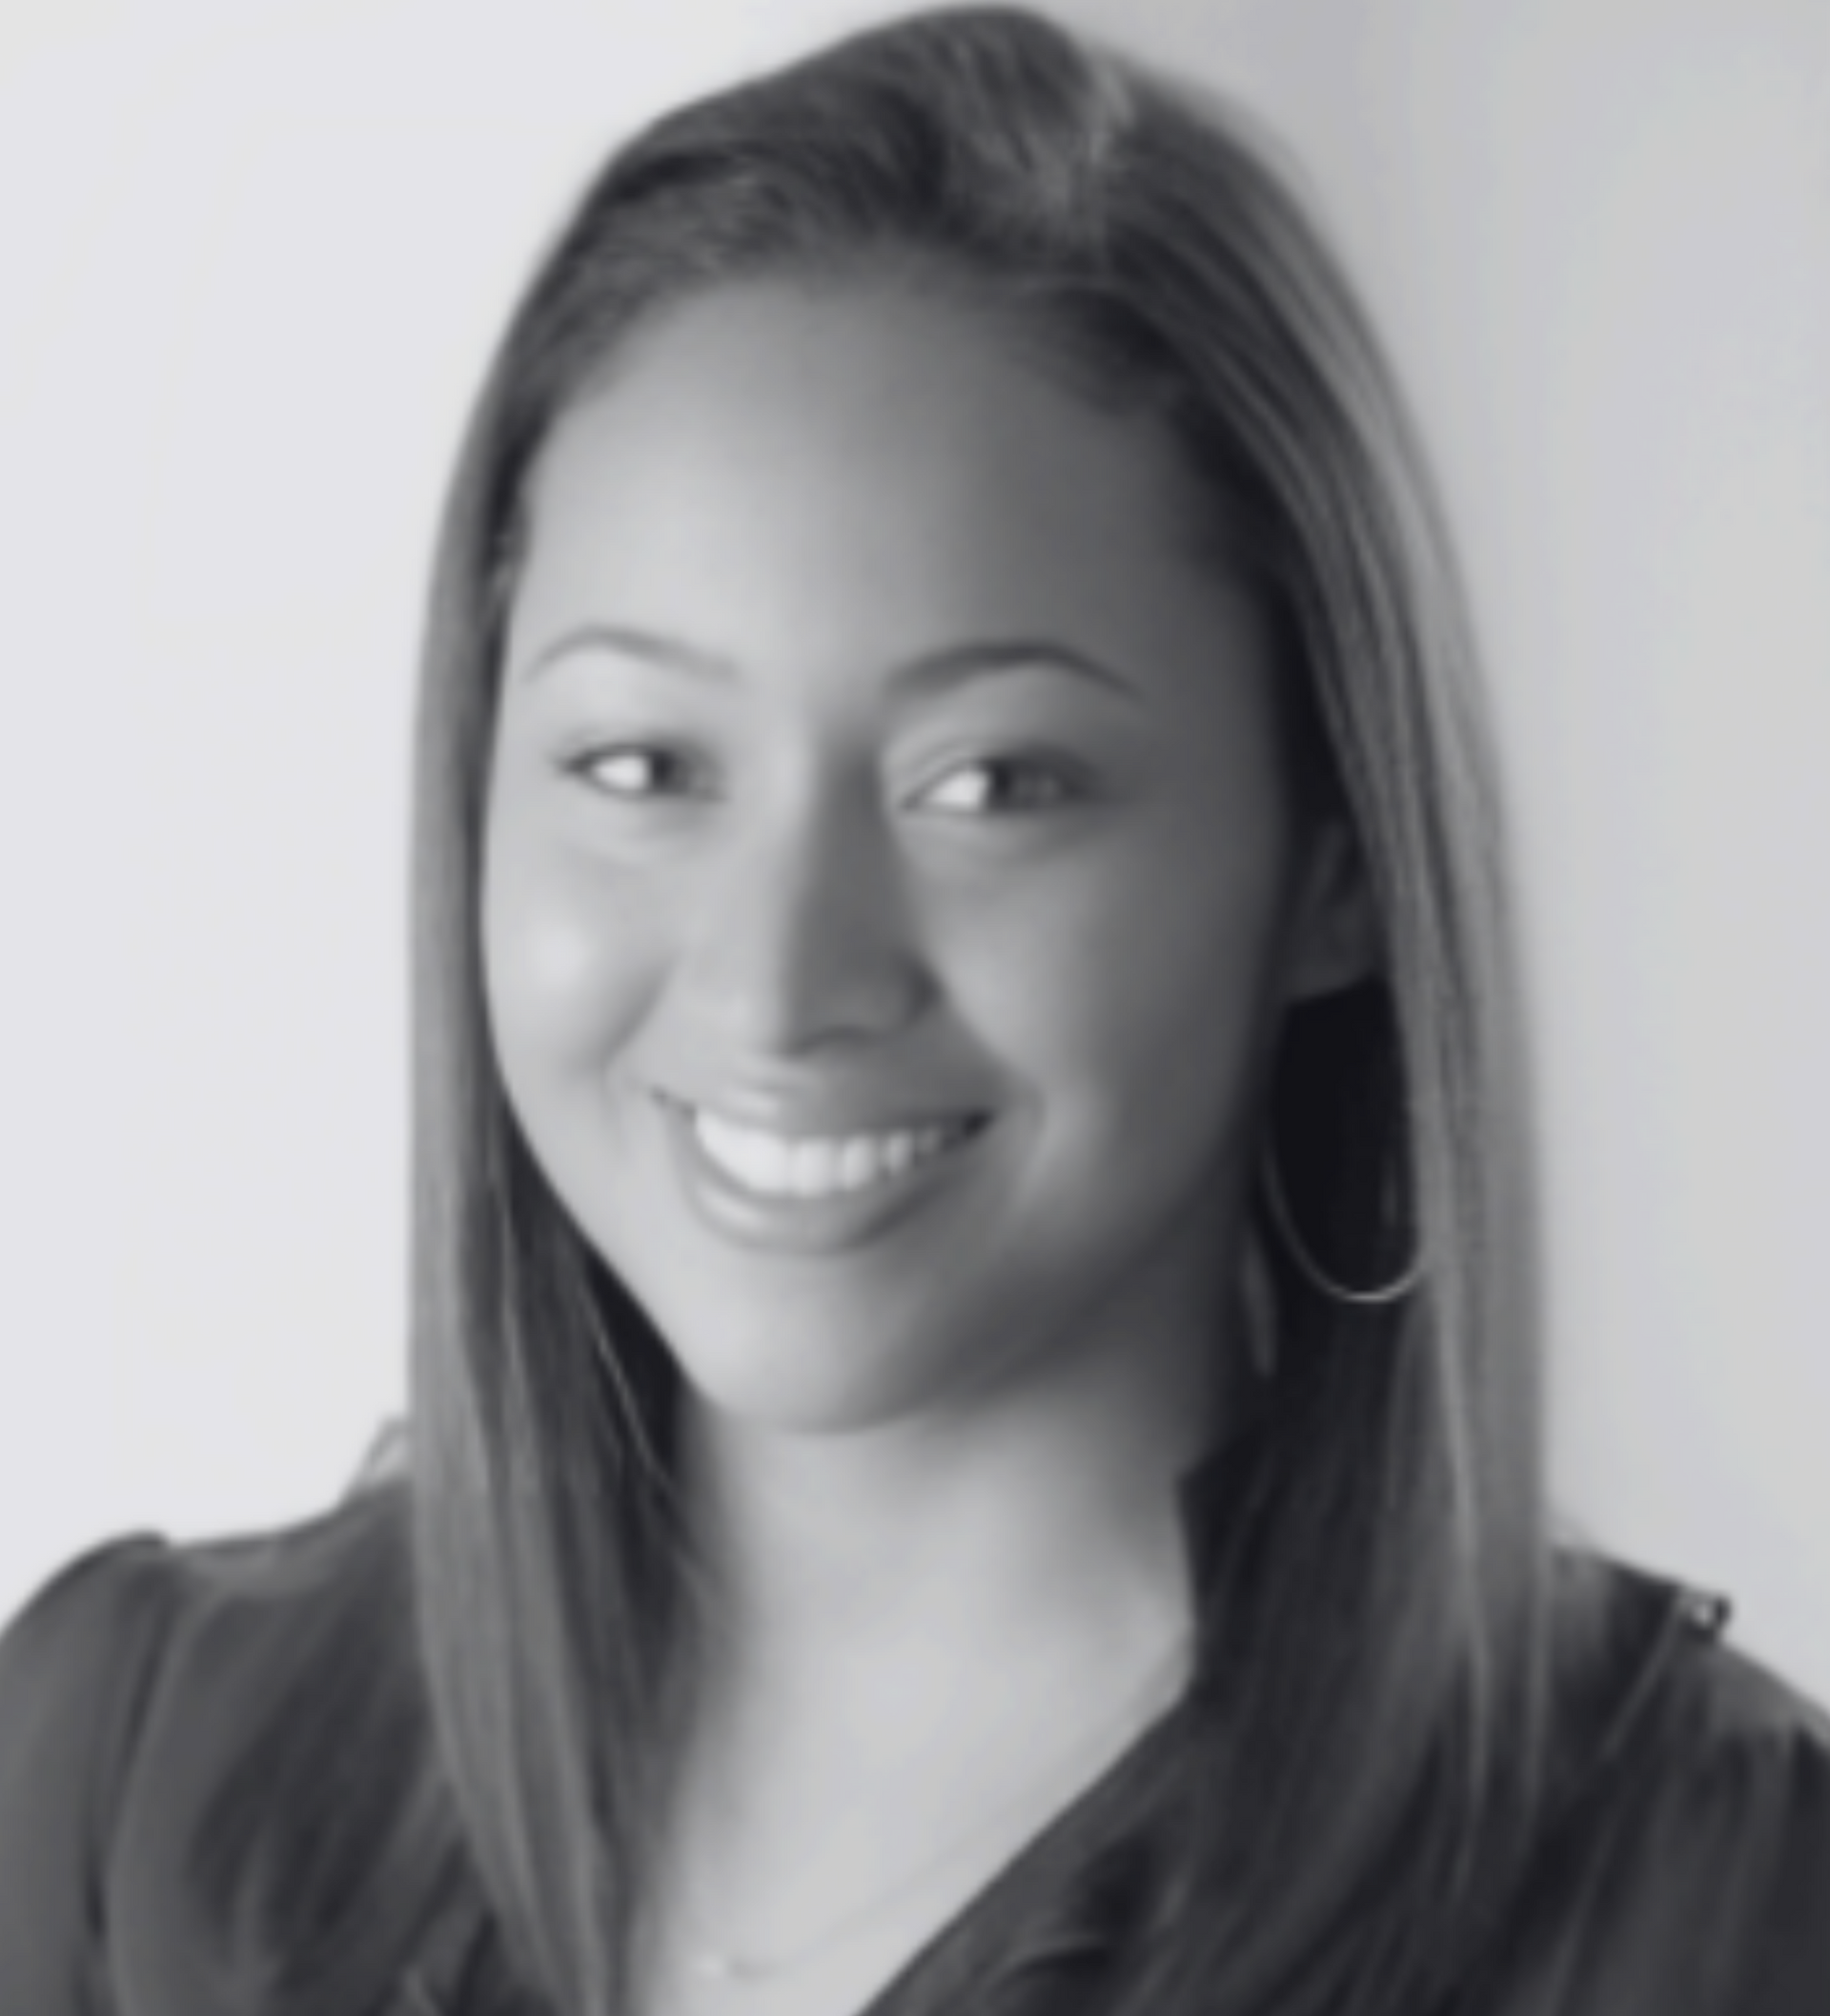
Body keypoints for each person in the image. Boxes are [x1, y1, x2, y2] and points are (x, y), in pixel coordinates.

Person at [1, 8, 1826, 2013]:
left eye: (993, 785)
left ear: (1339, 859)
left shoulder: (1702, 1909)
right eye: (640, 765)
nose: (779, 983)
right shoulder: (128, 1775)